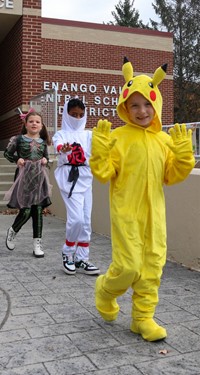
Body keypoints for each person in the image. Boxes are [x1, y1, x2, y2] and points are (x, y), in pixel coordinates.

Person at [89, 57, 195, 341]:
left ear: (156, 103)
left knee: (151, 266)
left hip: (155, 216)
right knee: (128, 267)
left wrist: (184, 155)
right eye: (134, 105)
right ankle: (105, 290)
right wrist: (99, 151)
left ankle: (142, 318)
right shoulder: (119, 137)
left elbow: (171, 175)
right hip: (126, 214)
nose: (142, 110)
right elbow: (103, 173)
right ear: (124, 106)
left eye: (147, 103)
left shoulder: (162, 139)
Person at [52, 97, 100, 276]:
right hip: (69, 179)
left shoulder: (89, 135)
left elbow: (101, 147)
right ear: (66, 114)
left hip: (86, 178)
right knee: (76, 219)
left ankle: (82, 258)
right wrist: (62, 149)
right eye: (74, 114)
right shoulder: (61, 134)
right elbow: (58, 146)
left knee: (86, 221)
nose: (78, 118)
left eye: (81, 115)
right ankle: (67, 252)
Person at [4, 108, 52, 258]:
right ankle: (13, 231)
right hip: (24, 178)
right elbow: (7, 154)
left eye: (37, 122)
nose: (34, 123)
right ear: (25, 124)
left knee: (37, 211)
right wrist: (16, 159)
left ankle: (37, 244)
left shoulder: (43, 142)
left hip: (39, 179)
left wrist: (46, 160)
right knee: (25, 211)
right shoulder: (18, 139)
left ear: (41, 126)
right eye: (31, 121)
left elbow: (47, 158)